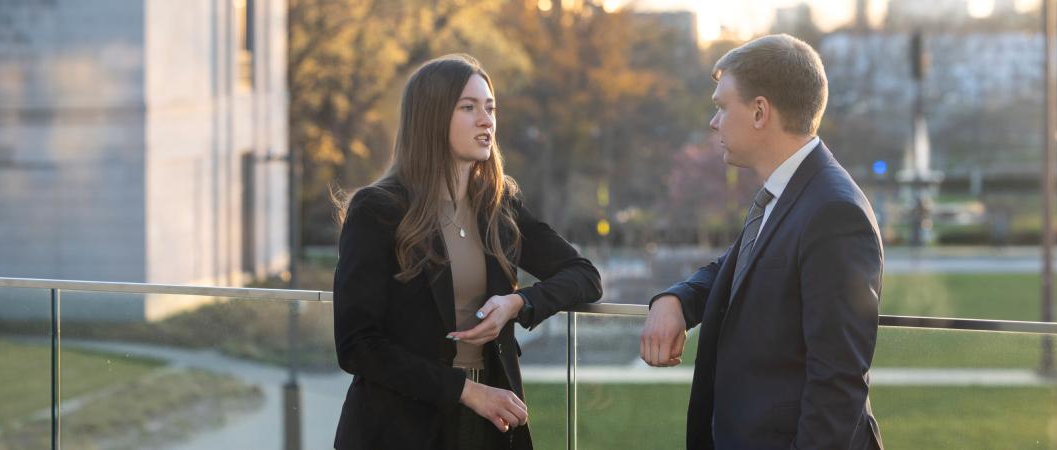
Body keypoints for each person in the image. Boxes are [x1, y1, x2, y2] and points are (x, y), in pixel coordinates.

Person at [332, 54, 602, 450]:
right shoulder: (378, 210)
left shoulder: (498, 203)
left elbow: (584, 275)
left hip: (490, 424)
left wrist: (518, 303)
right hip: (398, 427)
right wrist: (466, 392)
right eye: (469, 107)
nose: (486, 120)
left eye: (490, 108)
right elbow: (357, 346)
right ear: (432, 117)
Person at [639, 34, 885, 449]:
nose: (713, 122)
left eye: (721, 107)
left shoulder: (833, 213)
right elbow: (740, 267)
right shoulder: (790, 193)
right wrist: (676, 299)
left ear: (759, 112)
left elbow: (837, 386)